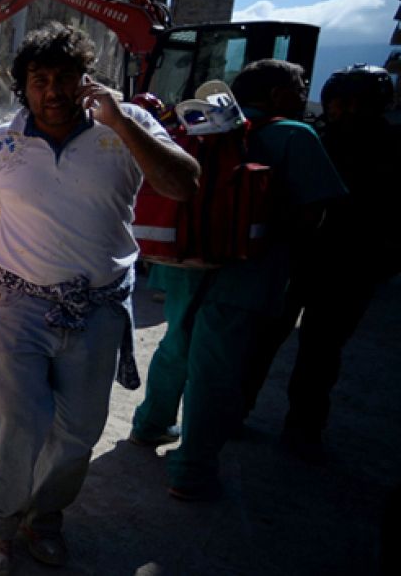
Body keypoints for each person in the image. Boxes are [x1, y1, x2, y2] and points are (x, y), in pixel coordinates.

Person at [0, 23, 198, 575]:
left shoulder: (127, 125)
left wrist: (120, 119)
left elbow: (184, 184)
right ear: (23, 86)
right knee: (15, 421)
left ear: (84, 80)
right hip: (18, 302)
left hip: (98, 308)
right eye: (38, 79)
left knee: (77, 431)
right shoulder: (3, 142)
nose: (52, 91)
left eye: (64, 77)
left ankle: (44, 518)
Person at [128, 59, 345, 499]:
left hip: (185, 260)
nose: (303, 93)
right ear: (279, 94)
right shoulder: (295, 135)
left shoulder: (201, 128)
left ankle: (149, 426)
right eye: (300, 86)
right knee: (217, 368)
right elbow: (314, 214)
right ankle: (192, 473)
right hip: (247, 269)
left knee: (176, 344)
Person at [238, 66, 395, 460]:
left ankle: (282, 422)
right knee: (306, 349)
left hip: (326, 264)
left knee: (305, 349)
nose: (343, 110)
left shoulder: (316, 138)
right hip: (323, 264)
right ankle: (295, 427)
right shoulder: (318, 138)